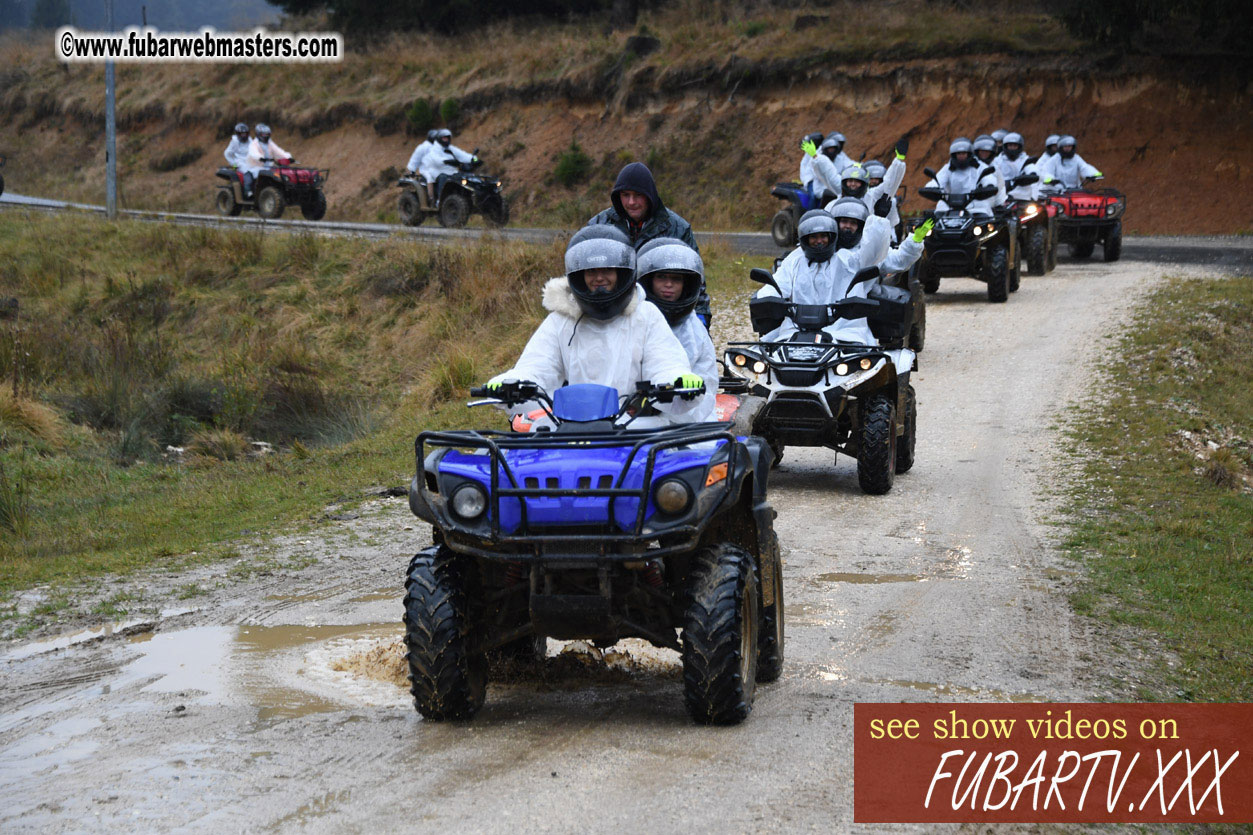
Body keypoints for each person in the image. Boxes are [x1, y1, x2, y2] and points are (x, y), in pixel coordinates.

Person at [487, 226, 701, 422]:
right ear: (579, 275)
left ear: (621, 272)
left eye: (607, 269)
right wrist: (511, 381)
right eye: (591, 271)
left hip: (634, 424)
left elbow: (664, 363)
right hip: (571, 424)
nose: (599, 278)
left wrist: (677, 380)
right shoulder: (561, 319)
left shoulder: (645, 315)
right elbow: (537, 367)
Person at [756, 204, 929, 345]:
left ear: (832, 236)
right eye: (813, 237)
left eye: (823, 236)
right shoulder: (794, 260)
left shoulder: (849, 260)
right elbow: (777, 285)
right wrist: (765, 300)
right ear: (804, 239)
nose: (819, 241)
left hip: (845, 330)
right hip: (797, 330)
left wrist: (880, 222)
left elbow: (877, 253)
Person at [587, 162, 711, 327]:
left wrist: (701, 319)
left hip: (663, 317)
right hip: (611, 315)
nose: (631, 202)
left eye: (638, 195)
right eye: (625, 195)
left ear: (650, 195)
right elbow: (580, 273)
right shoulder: (598, 225)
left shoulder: (677, 228)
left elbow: (696, 279)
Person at [637, 238, 717, 423]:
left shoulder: (695, 330)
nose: (668, 285)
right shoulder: (633, 318)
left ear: (686, 284)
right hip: (633, 416)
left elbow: (707, 381)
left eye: (676, 279)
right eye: (662, 277)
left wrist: (691, 394)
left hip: (685, 420)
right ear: (648, 280)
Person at [926, 137, 997, 217]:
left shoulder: (979, 166)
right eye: (958, 153)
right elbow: (938, 180)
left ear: (969, 154)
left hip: (975, 204)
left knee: (984, 222)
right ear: (954, 155)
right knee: (934, 219)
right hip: (949, 204)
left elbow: (988, 177)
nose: (961, 156)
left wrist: (989, 185)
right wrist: (932, 187)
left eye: (964, 153)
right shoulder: (948, 168)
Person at [419, 128, 476, 206]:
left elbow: (463, 155)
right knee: (444, 178)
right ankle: (439, 200)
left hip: (451, 171)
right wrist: (445, 161)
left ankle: (471, 197)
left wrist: (473, 159)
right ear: (439, 139)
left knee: (465, 176)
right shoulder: (434, 148)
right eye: (444, 138)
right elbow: (436, 159)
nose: (446, 140)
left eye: (447, 138)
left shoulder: (450, 148)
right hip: (436, 171)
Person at [242, 123, 291, 199]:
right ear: (258, 134)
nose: (265, 136)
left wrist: (288, 157)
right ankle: (248, 192)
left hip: (268, 167)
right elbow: (253, 153)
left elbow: (278, 151)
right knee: (249, 176)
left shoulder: (270, 143)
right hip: (255, 167)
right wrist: (260, 158)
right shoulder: (254, 144)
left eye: (267, 134)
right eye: (263, 134)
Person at [994, 132, 1040, 202]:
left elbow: (1032, 169)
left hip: (1022, 197)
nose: (1012, 148)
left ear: (1020, 147)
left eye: (1015, 146)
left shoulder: (1025, 160)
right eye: (1010, 145)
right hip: (1002, 197)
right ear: (1005, 146)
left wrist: (1030, 176)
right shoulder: (997, 161)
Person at [972, 134, 1007, 205]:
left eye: (987, 151)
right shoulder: (970, 165)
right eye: (982, 151)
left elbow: (1001, 187)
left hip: (987, 206)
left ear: (992, 153)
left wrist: (1001, 203)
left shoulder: (995, 168)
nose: (984, 153)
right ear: (977, 151)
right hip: (968, 204)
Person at [797, 130, 824, 201]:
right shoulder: (809, 153)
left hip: (819, 179)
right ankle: (811, 211)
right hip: (810, 179)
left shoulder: (820, 152)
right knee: (813, 196)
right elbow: (809, 168)